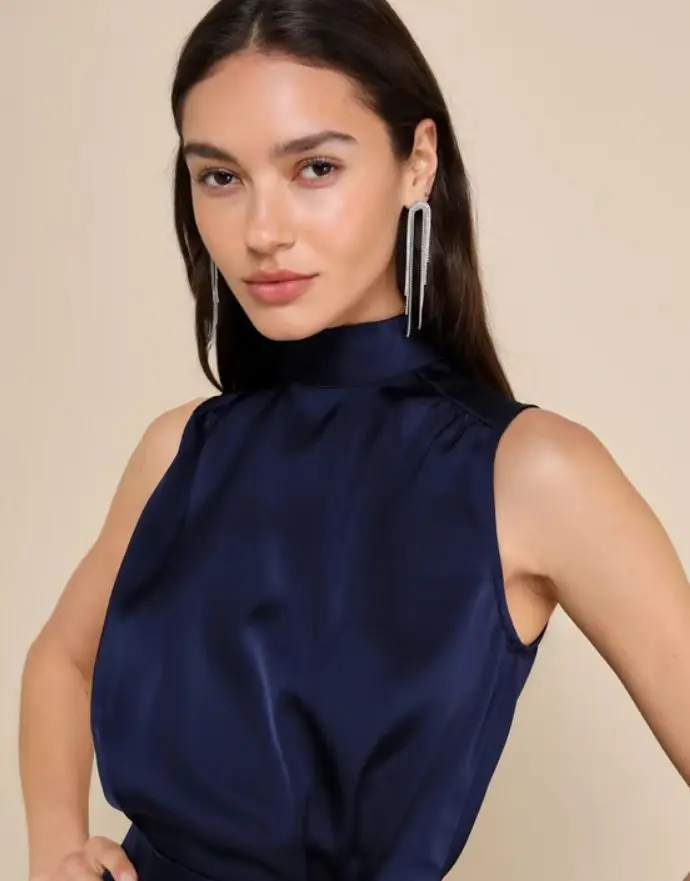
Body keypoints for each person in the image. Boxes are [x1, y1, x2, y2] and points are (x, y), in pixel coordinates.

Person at [19, 1, 690, 879]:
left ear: (419, 162)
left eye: (316, 167)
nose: (262, 231)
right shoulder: (180, 449)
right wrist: (56, 848)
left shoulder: (531, 473)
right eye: (219, 176)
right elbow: (62, 660)